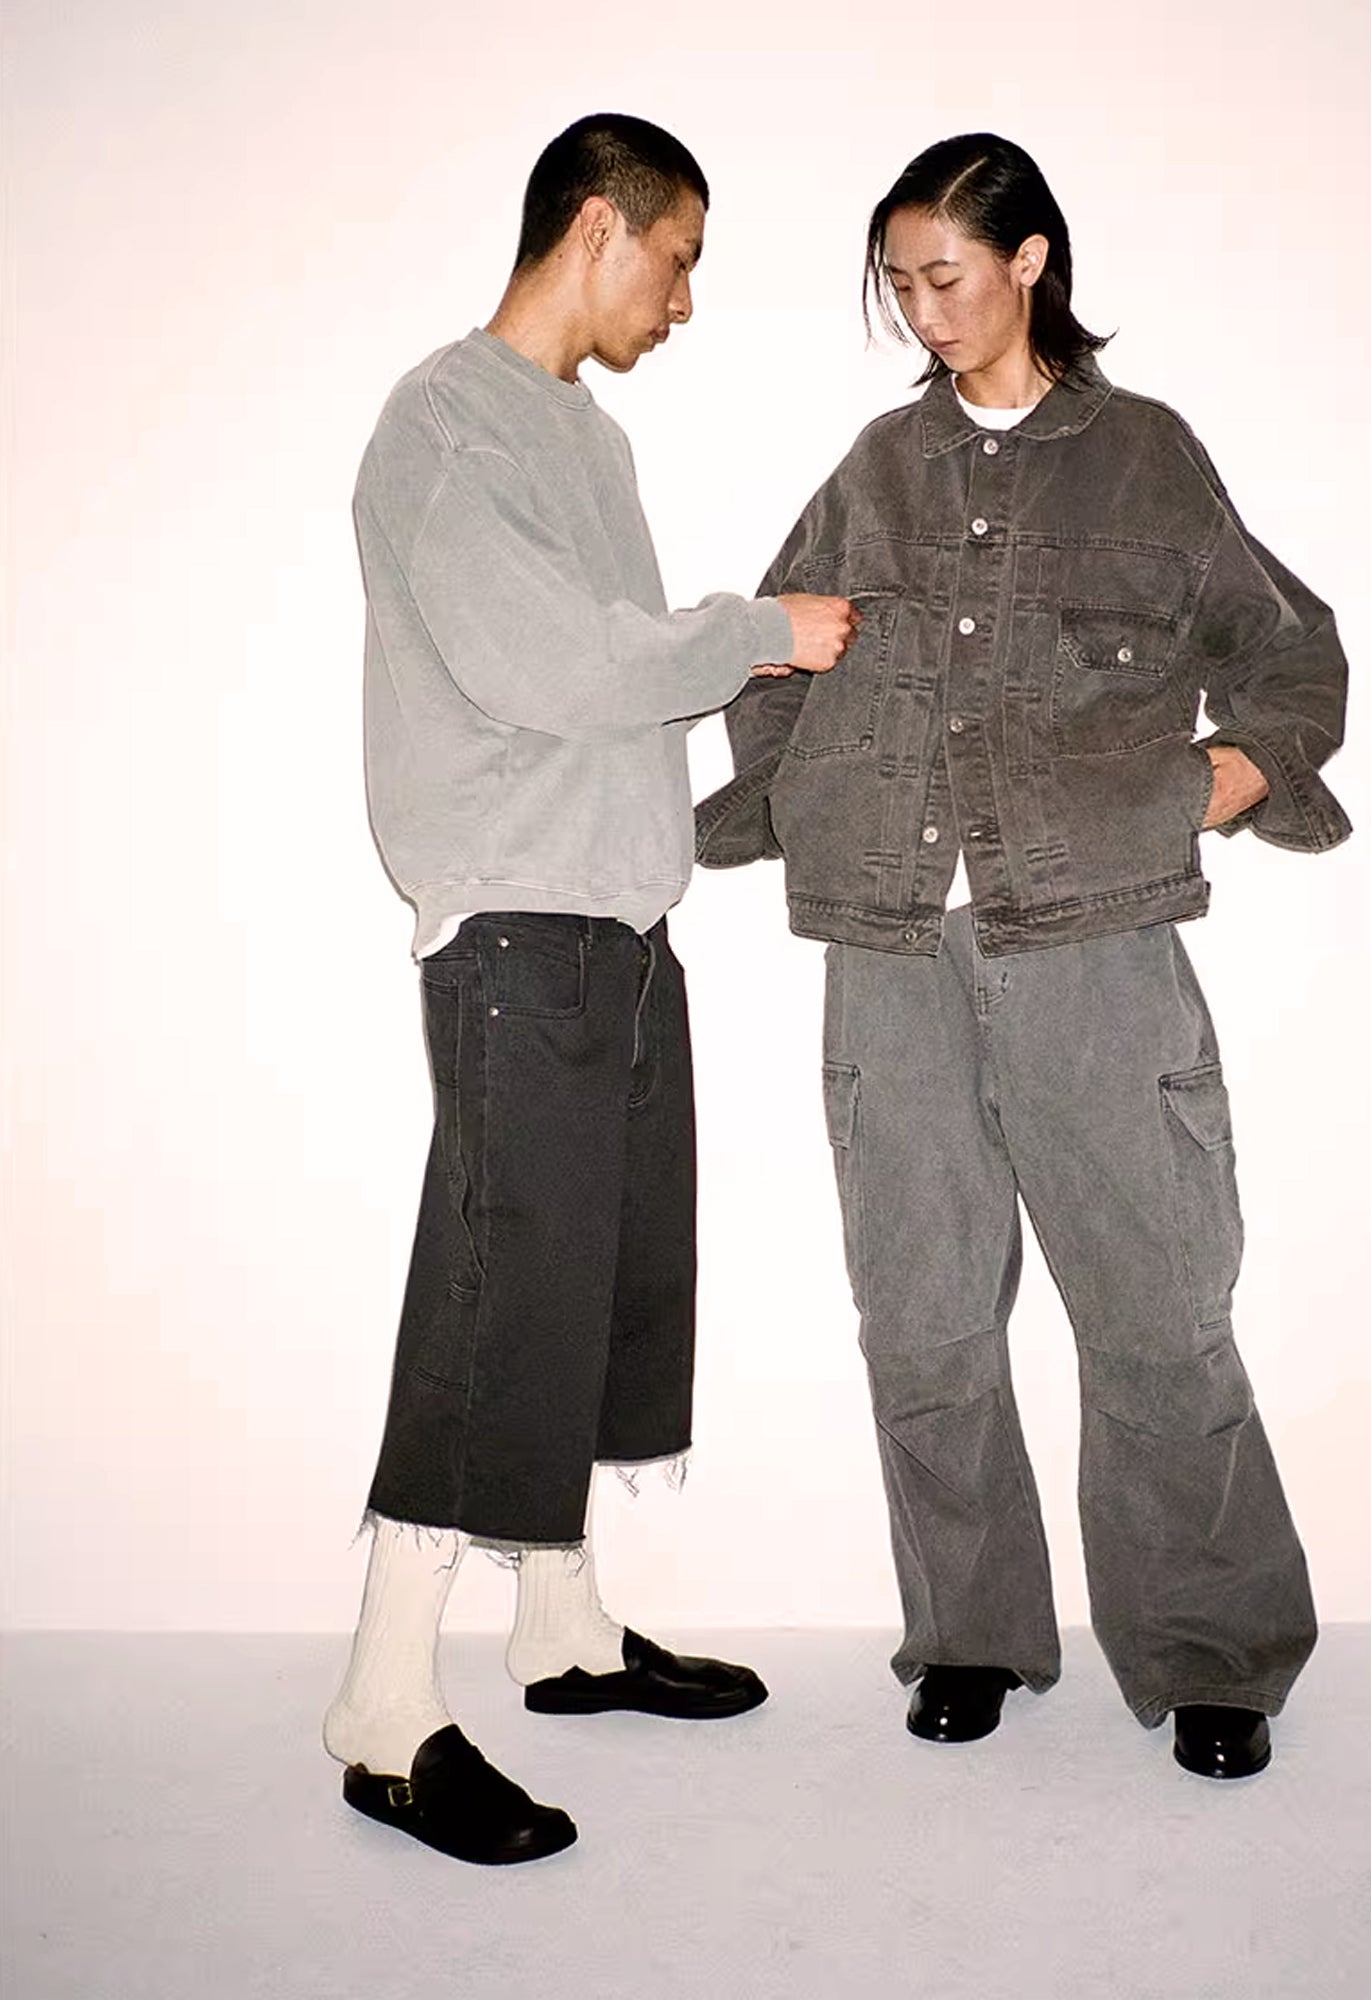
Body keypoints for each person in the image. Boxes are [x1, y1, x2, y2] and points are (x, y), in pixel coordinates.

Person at [697, 133, 1350, 1780]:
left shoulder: (1145, 460)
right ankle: (973, 1634)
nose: (923, 311)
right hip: (896, 948)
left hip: (1097, 950)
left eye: (947, 276)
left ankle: (1209, 1651)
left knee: (1155, 1313)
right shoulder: (875, 468)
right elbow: (783, 648)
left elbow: (1291, 647)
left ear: (1032, 260)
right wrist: (761, 811)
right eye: (899, 285)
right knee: (919, 1319)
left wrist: (1235, 773)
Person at [324, 112, 858, 1865]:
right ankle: (387, 1714)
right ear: (599, 225)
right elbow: (553, 663)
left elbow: (607, 704)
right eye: (681, 254)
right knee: (492, 1304)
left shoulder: (588, 442)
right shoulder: (439, 424)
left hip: (616, 939)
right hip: (512, 940)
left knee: (598, 1295)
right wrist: (759, 630)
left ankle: (560, 1634)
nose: (686, 297)